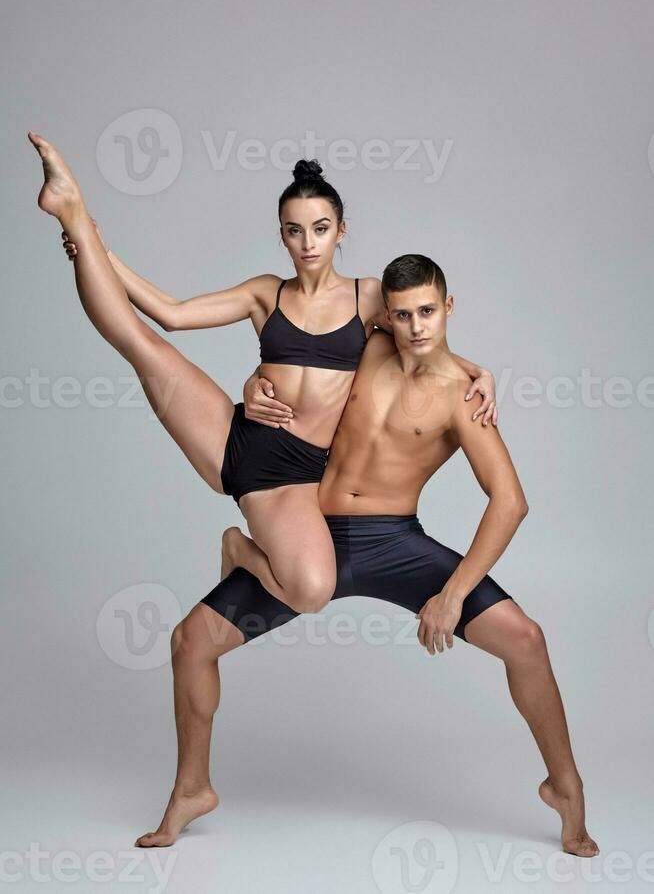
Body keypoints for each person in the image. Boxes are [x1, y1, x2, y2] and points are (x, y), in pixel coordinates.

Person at [137, 254, 598, 858]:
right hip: (309, 532)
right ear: (386, 314)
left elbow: (510, 502)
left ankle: (565, 789)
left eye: (428, 312)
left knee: (527, 640)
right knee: (189, 643)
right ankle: (192, 788)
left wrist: (452, 595)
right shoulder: (368, 345)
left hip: (394, 545)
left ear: (449, 308)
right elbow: (295, 350)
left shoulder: (463, 398)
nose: (415, 327)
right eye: (402, 314)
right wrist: (253, 384)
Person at [30, 131, 496, 615]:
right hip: (231, 434)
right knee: (139, 342)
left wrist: (475, 370)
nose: (308, 243)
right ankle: (72, 211)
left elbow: (417, 342)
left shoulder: (368, 296)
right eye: (294, 231)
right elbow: (172, 312)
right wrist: (98, 250)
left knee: (312, 592)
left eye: (319, 228)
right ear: (282, 235)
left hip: (290, 476)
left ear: (341, 230)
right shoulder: (265, 292)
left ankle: (238, 549)